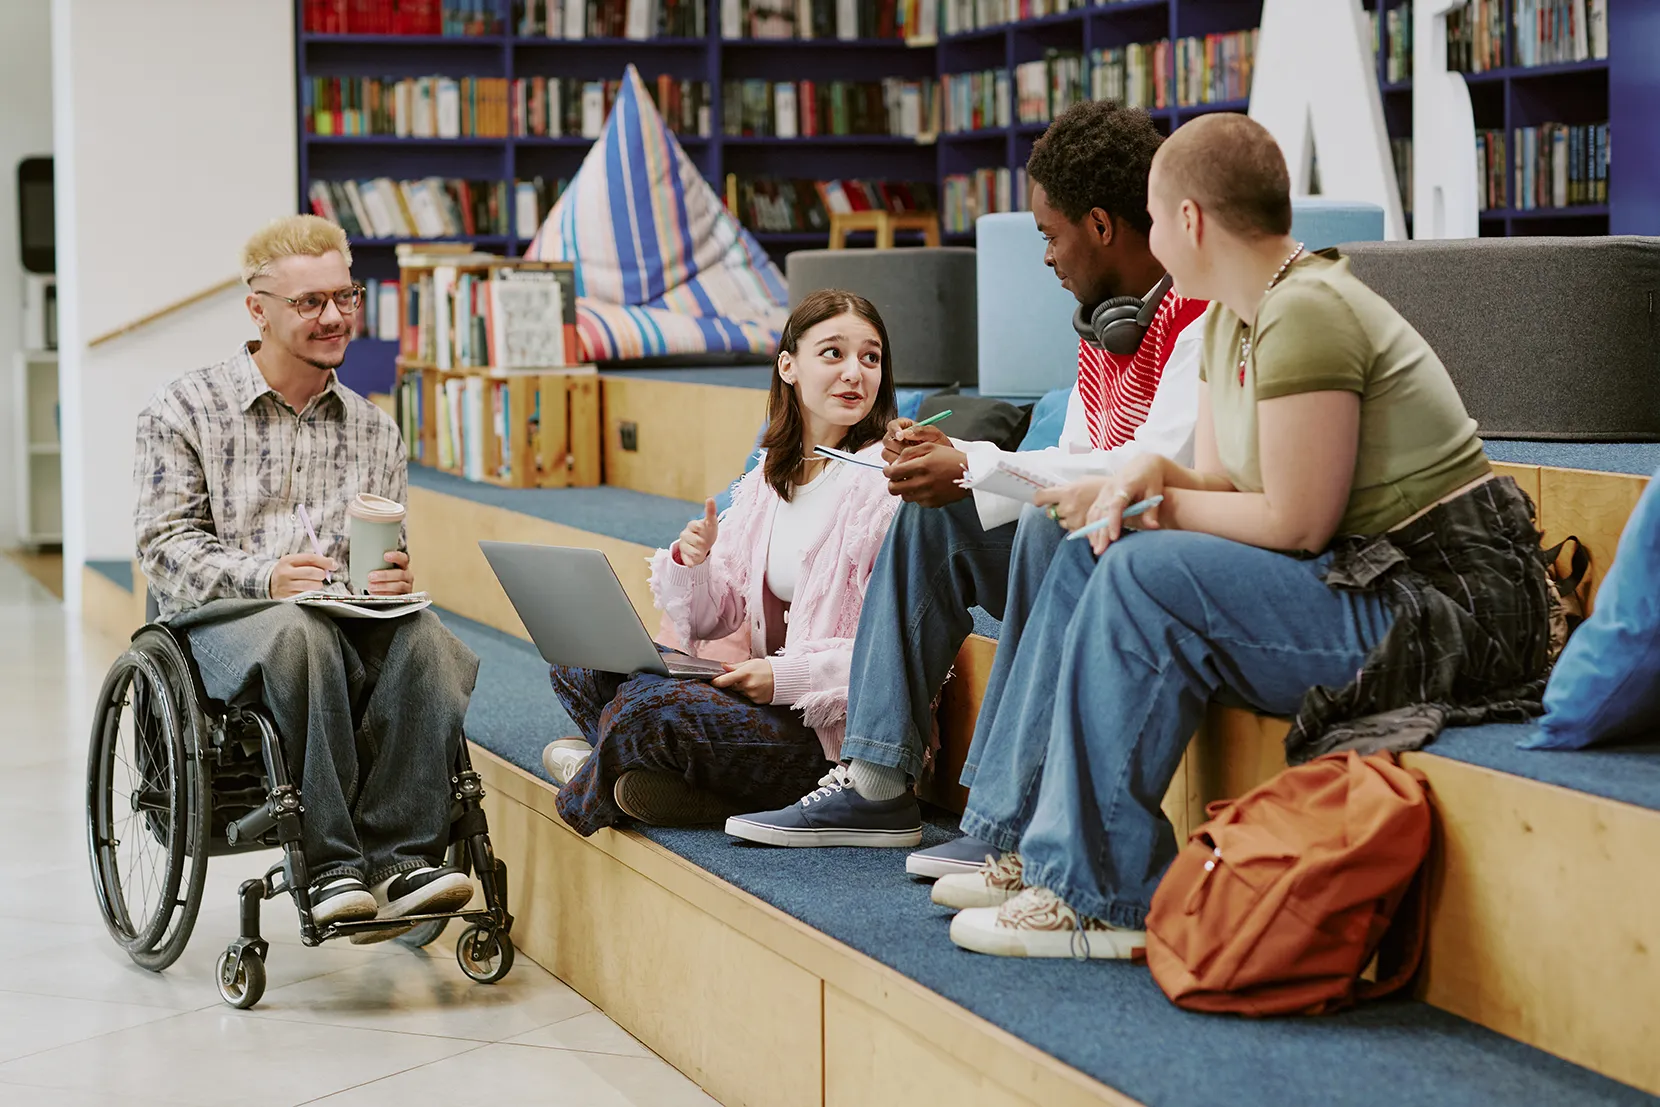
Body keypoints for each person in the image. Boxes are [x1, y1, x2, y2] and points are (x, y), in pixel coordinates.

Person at [934, 113, 1550, 959]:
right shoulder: (1227, 318)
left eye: (1153, 218)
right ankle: (1028, 843)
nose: (1148, 237)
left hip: (1434, 601)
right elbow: (1222, 486)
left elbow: (1297, 522)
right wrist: (1150, 480)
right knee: (1090, 546)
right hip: (1353, 577)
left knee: (1139, 569)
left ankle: (1101, 893)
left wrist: (1156, 508)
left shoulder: (1309, 311)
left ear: (1188, 221)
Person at [723, 101, 1208, 858]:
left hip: (1151, 556)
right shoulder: (1102, 325)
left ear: (1103, 225)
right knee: (935, 515)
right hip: (1089, 545)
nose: (1046, 256)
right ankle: (878, 783)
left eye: (1051, 235)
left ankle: (1006, 823)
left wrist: (976, 462)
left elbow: (1144, 472)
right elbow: (1072, 458)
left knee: (1049, 522)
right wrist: (957, 469)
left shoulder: (1200, 315)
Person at [133, 215, 479, 938]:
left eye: (345, 297)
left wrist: (387, 575)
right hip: (217, 625)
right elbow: (163, 545)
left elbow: (383, 549)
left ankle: (400, 860)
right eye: (310, 303)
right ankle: (327, 866)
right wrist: (267, 577)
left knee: (433, 642)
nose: (334, 317)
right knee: (301, 635)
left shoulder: (373, 429)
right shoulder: (185, 409)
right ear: (257, 308)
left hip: (343, 617)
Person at [541, 290, 903, 836]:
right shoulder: (768, 479)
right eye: (833, 353)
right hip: (759, 703)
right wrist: (696, 563)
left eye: (870, 357)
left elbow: (896, 652)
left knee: (643, 709)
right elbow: (718, 618)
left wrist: (783, 676)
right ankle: (652, 771)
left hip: (825, 740)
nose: (856, 372)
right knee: (578, 663)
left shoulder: (885, 484)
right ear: (789, 367)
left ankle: (590, 782)